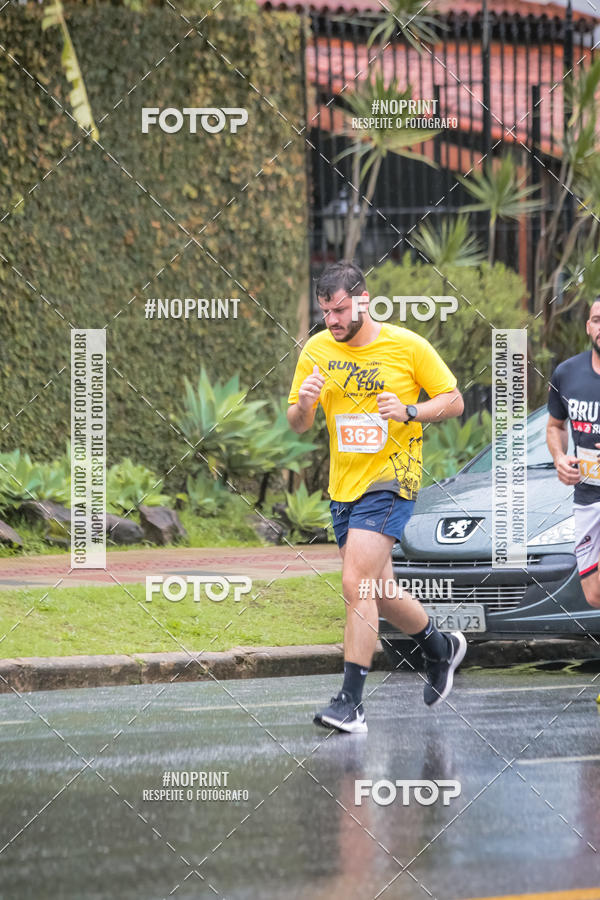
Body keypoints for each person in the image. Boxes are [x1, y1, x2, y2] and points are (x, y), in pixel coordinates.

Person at [287, 260, 467, 733]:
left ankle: (351, 702)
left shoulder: (407, 347)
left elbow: (453, 400)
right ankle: (439, 647)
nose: (333, 321)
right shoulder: (317, 351)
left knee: (355, 585)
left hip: (392, 478)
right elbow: (298, 423)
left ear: (363, 300)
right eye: (326, 312)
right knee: (381, 592)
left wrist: (409, 409)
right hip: (343, 486)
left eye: (341, 310)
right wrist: (304, 403)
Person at [547, 297, 600, 610]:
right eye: (597, 320)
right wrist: (559, 457)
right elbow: (555, 426)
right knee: (593, 594)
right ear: (588, 327)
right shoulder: (566, 374)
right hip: (588, 496)